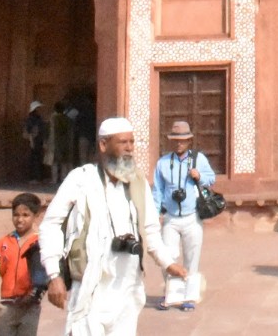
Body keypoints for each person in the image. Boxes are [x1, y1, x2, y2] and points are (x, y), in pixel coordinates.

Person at [39, 116, 185, 336]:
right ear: (103, 145)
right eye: (123, 142)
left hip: (127, 287)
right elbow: (50, 225)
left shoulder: (138, 183)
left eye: (132, 142)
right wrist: (54, 274)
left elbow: (150, 229)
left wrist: (168, 263)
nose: (129, 148)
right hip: (91, 286)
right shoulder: (81, 179)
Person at [150, 120, 215, 312]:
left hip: (192, 216)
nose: (179, 143)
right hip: (170, 217)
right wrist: (155, 214)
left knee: (191, 257)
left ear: (189, 141)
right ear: (171, 141)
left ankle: (189, 296)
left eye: (183, 140)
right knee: (167, 257)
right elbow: (157, 191)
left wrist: (199, 176)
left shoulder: (198, 160)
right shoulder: (163, 163)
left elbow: (211, 178)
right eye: (176, 140)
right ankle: (171, 294)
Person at [0, 192, 47, 334]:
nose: (20, 219)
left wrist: (34, 296)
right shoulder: (3, 243)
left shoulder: (40, 243)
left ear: (36, 216)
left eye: (25, 215)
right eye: (16, 215)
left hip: (30, 307)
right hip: (7, 307)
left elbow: (44, 276)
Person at [24, 101, 48, 183]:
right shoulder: (32, 119)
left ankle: (38, 177)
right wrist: (32, 141)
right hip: (34, 141)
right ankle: (34, 178)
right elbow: (29, 131)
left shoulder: (38, 118)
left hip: (38, 141)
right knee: (34, 160)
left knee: (38, 159)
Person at [52, 103, 76, 183]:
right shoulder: (68, 119)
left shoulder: (53, 119)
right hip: (66, 142)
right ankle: (64, 178)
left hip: (56, 142)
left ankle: (54, 179)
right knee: (64, 162)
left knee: (55, 162)